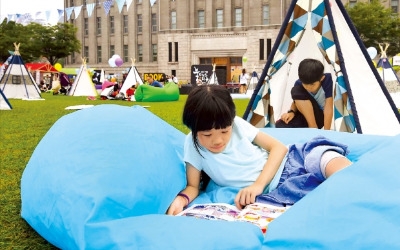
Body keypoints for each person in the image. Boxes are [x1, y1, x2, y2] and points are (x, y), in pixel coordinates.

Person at [167, 85, 352, 215]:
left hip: (287, 161)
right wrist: (181, 199)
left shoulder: (237, 124)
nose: (217, 140)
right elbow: (193, 186)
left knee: (319, 154)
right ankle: (346, 190)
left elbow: (278, 148)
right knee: (309, 194)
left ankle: (356, 180)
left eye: (225, 131)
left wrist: (258, 185)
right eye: (207, 134)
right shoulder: (192, 145)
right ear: (193, 129)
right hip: (277, 188)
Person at [276, 58, 333, 129]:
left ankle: (313, 128)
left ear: (322, 78)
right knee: (279, 125)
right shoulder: (299, 83)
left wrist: (326, 131)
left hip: (319, 117)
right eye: (305, 85)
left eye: (312, 84)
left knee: (296, 90)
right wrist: (291, 112)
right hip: (305, 115)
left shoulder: (327, 80)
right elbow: (297, 101)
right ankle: (308, 129)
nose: (308, 88)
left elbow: (328, 108)